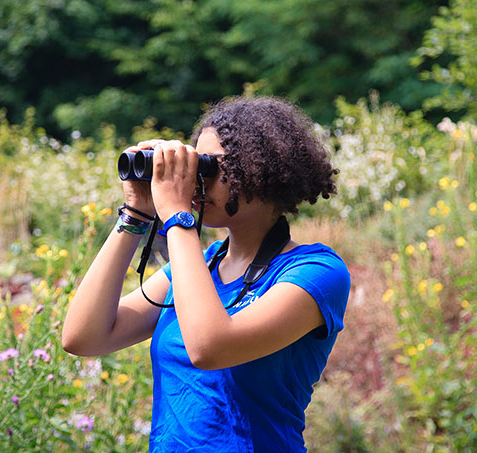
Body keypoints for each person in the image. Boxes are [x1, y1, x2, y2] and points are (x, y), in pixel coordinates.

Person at [62, 96, 351, 452]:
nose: (197, 182)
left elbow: (209, 348)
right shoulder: (199, 268)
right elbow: (83, 337)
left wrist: (176, 216)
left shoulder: (317, 273)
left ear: (262, 171)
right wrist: (136, 214)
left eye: (210, 167)